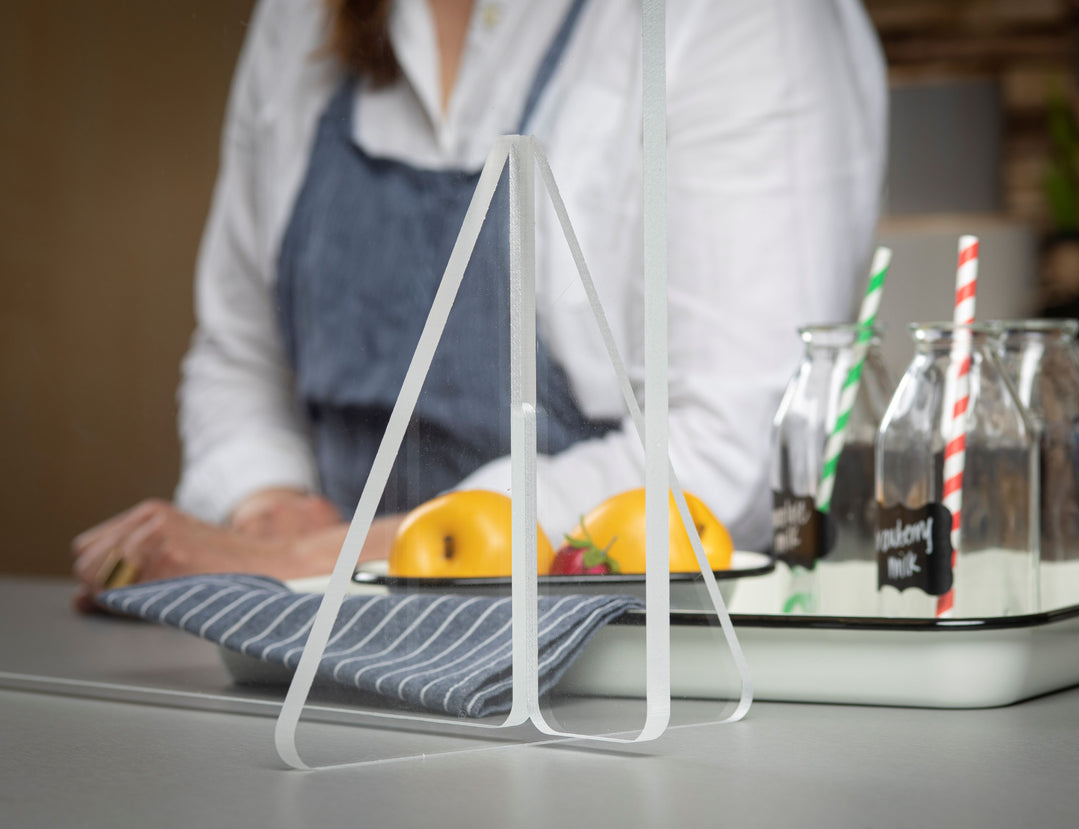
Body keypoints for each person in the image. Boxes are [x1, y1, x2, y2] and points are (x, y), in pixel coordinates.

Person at [72, 0, 887, 604]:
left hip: (602, 694)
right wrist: (269, 508)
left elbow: (731, 456)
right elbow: (240, 357)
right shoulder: (298, 19)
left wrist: (325, 561)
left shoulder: (746, 20)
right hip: (310, 662)